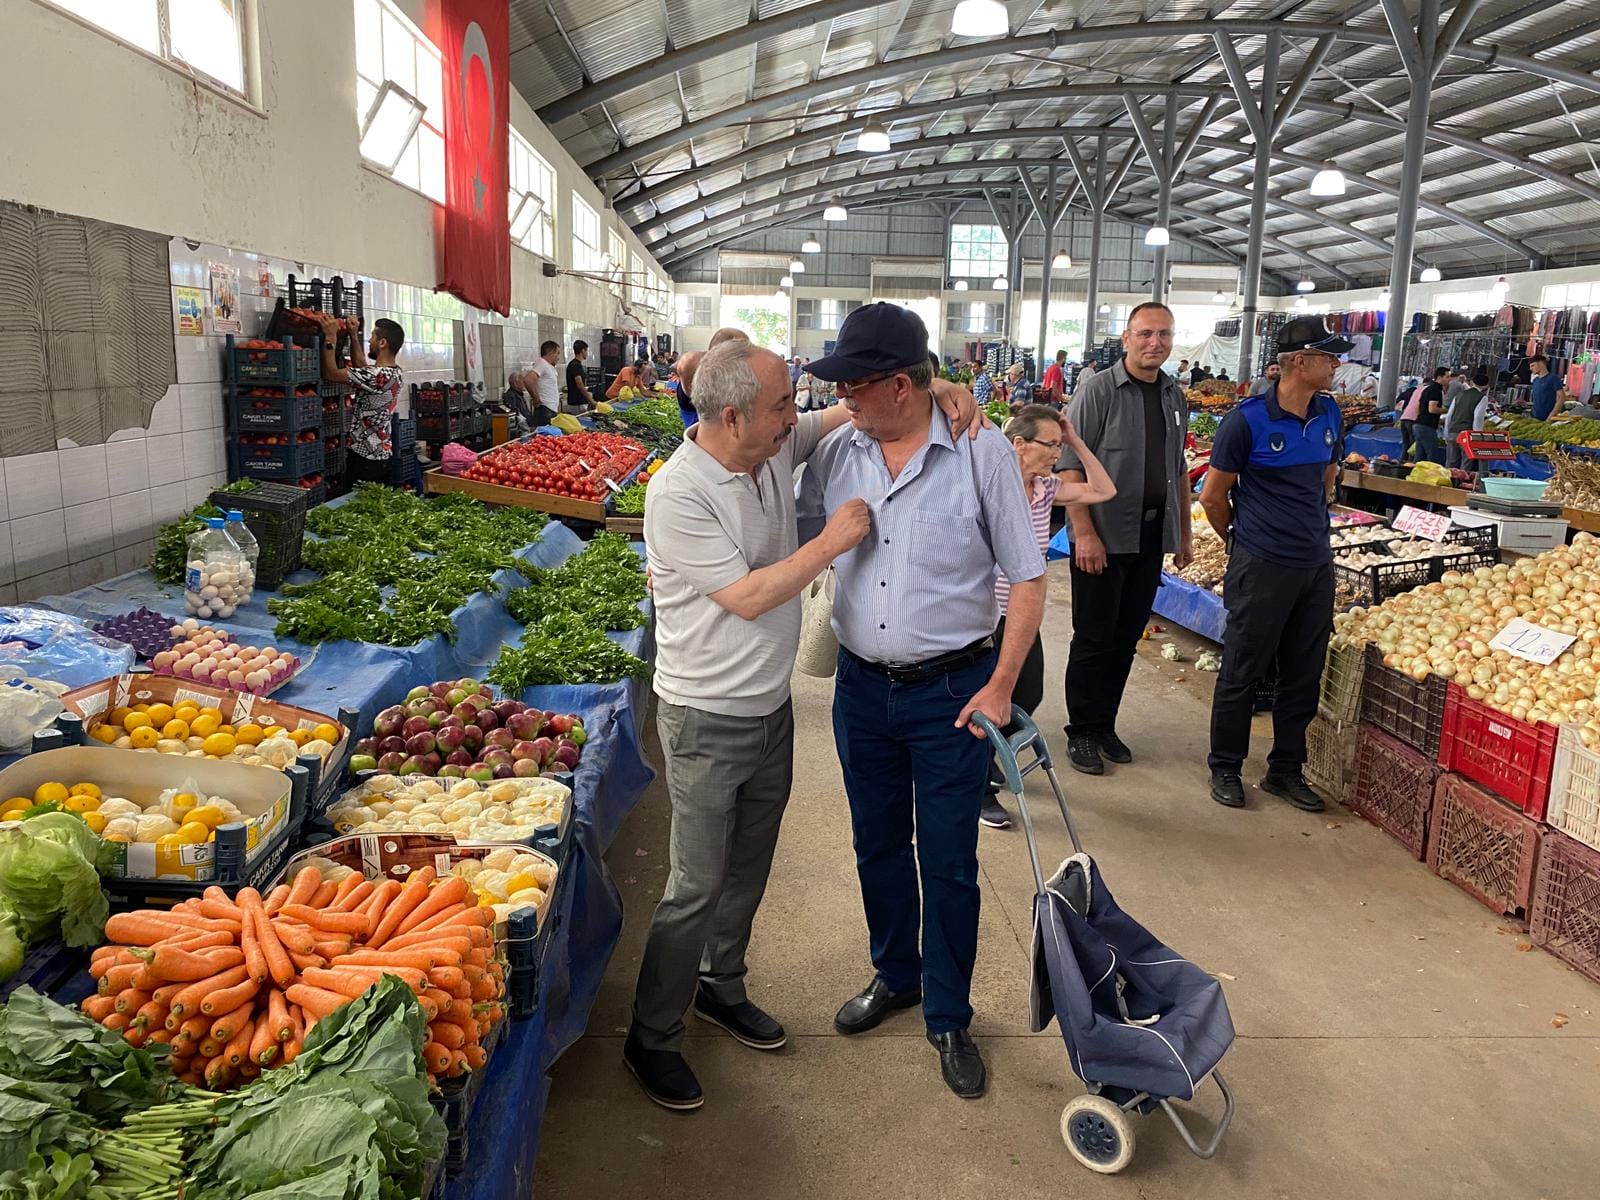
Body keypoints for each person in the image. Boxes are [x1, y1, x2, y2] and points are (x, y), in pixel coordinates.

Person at [628, 334, 985, 1111]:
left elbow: (866, 407)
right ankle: (651, 1034)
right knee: (694, 883)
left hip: (768, 710)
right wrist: (831, 540)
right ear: (732, 415)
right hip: (705, 717)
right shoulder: (679, 492)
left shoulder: (768, 449)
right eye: (785, 404)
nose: (802, 416)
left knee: (747, 869)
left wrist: (946, 389)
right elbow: (751, 595)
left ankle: (722, 986)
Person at [798, 303, 1046, 1101]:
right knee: (876, 843)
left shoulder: (983, 456)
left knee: (948, 861)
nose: (844, 403)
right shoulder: (840, 451)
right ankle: (895, 975)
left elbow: (1030, 578)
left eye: (856, 388)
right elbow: (795, 532)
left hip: (953, 693)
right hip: (863, 688)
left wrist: (1001, 687)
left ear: (900, 385)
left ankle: (949, 1012)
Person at [1199, 316, 1348, 812]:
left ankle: (1286, 769)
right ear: (1299, 363)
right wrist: (1242, 542)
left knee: (1304, 673)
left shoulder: (1329, 414)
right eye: (1329, 356)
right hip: (1261, 565)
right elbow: (1213, 497)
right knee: (1244, 668)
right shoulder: (1246, 421)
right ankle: (1225, 765)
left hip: (1315, 566)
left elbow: (1327, 479)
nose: (1336, 364)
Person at [1058, 302, 1194, 775]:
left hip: (1151, 537)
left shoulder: (1175, 396)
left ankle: (1105, 724)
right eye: (1145, 334)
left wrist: (1184, 532)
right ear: (1127, 337)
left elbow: (1178, 468)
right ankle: (1081, 730)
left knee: (1125, 638)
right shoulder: (1098, 391)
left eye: (1164, 334)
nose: (1155, 343)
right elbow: (1069, 467)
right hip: (1105, 536)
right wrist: (1083, 533)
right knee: (1093, 636)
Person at [980, 405, 1116, 828]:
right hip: (985, 613)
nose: (1056, 453)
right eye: (1051, 444)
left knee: (1029, 693)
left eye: (1059, 445)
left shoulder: (1047, 489)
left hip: (1024, 611)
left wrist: (1075, 441)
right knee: (987, 698)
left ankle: (986, 758)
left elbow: (1103, 490)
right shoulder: (987, 485)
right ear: (1018, 444)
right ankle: (979, 786)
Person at [315, 312, 404, 486]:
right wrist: (353, 335)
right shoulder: (395, 372)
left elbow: (330, 373)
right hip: (380, 454)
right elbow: (362, 369)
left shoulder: (377, 375)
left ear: (382, 343)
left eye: (372, 337)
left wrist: (330, 337)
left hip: (365, 458)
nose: (369, 341)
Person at [1445, 369, 1488, 470]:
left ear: (1472, 382)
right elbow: (1477, 417)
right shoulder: (1482, 397)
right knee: (1465, 465)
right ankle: (1460, 484)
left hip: (1453, 431)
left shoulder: (1459, 395)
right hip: (1466, 434)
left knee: (1451, 464)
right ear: (1486, 386)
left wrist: (1446, 433)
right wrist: (1477, 437)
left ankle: (1449, 483)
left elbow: (1449, 415)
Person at [1413, 366, 1448, 464]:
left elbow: (1417, 407)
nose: (1449, 380)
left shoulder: (1427, 389)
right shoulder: (1435, 390)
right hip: (1427, 427)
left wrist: (1421, 417)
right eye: (1447, 377)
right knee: (1432, 456)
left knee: (1420, 456)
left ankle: (1414, 476)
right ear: (1439, 378)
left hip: (1419, 424)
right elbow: (1432, 409)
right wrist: (1447, 411)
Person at [530, 342, 561, 426]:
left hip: (550, 410)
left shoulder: (548, 366)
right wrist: (535, 398)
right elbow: (528, 380)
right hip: (544, 410)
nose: (559, 357)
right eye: (557, 353)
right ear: (550, 352)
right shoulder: (542, 363)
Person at [566, 341, 594, 411]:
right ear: (582, 351)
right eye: (586, 351)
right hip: (577, 404)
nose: (587, 353)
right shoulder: (575, 365)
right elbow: (580, 386)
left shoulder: (576, 364)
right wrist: (592, 401)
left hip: (578, 403)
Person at [1531, 355, 1560, 421]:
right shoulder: (1535, 380)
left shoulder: (1553, 378)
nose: (1530, 369)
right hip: (1534, 417)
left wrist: (1551, 416)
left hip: (1548, 418)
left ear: (1541, 364)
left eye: (1533, 365)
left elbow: (1562, 398)